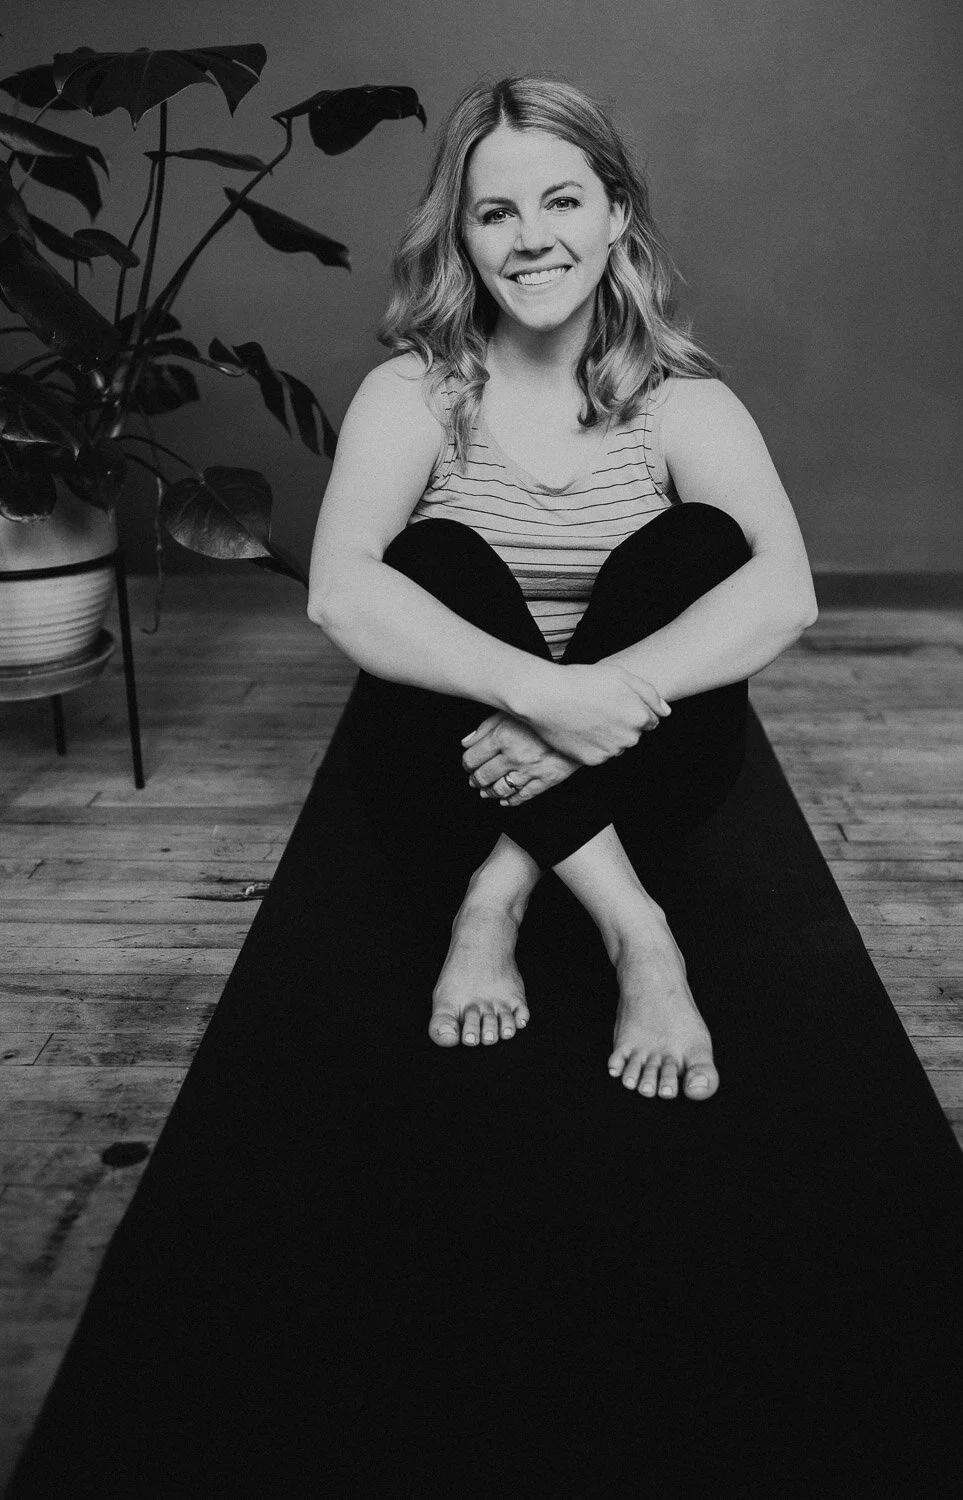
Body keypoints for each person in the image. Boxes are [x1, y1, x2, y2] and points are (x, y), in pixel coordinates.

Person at [307, 74, 817, 1102]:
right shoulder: (413, 393)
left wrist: (591, 707)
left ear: (615, 213)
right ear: (462, 235)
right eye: (496, 212)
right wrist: (547, 697)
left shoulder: (683, 402)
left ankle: (497, 889)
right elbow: (339, 594)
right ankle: (637, 927)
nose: (531, 238)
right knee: (432, 558)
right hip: (449, 771)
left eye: (562, 201)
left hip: (644, 769)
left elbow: (785, 594)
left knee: (700, 544)